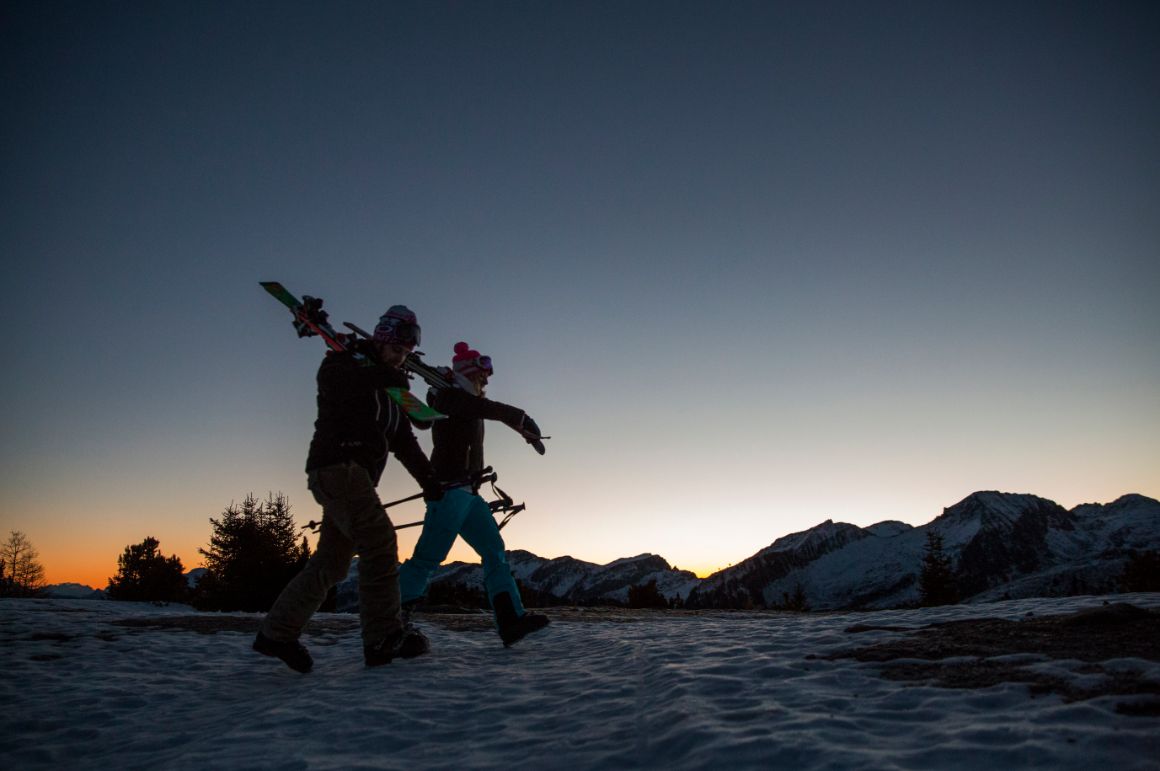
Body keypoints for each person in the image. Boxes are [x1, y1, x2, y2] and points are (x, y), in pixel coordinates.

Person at [254, 305, 444, 673]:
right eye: (395, 347)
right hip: (337, 468)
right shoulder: (342, 364)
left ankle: (276, 634)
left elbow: (404, 439)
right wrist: (380, 376)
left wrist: (430, 481)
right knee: (380, 543)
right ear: (381, 338)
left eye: (407, 350)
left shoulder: (387, 387)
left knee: (332, 562)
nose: (400, 354)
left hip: (355, 478)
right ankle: (383, 637)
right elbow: (338, 387)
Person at [398, 341, 550, 647]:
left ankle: (511, 621)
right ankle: (390, 624)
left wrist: (522, 426)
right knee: (428, 559)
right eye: (483, 375)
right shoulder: (451, 398)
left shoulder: (456, 399)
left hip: (468, 495)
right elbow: (486, 409)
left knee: (494, 551)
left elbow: (459, 412)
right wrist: (521, 420)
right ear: (468, 372)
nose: (487, 382)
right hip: (450, 493)